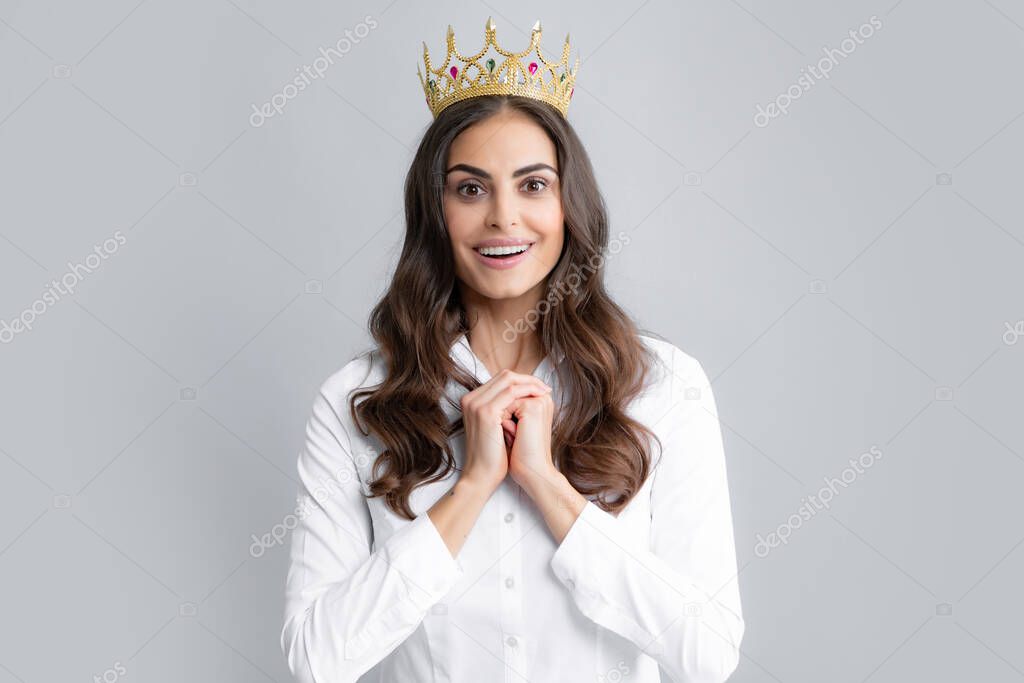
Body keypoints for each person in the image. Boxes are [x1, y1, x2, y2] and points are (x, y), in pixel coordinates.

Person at [279, 17, 744, 683]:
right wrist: (470, 486)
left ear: (568, 204)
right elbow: (316, 659)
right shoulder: (357, 403)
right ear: (436, 211)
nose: (503, 217)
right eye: (471, 188)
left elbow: (707, 654)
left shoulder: (665, 386)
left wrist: (547, 486)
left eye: (532, 184)